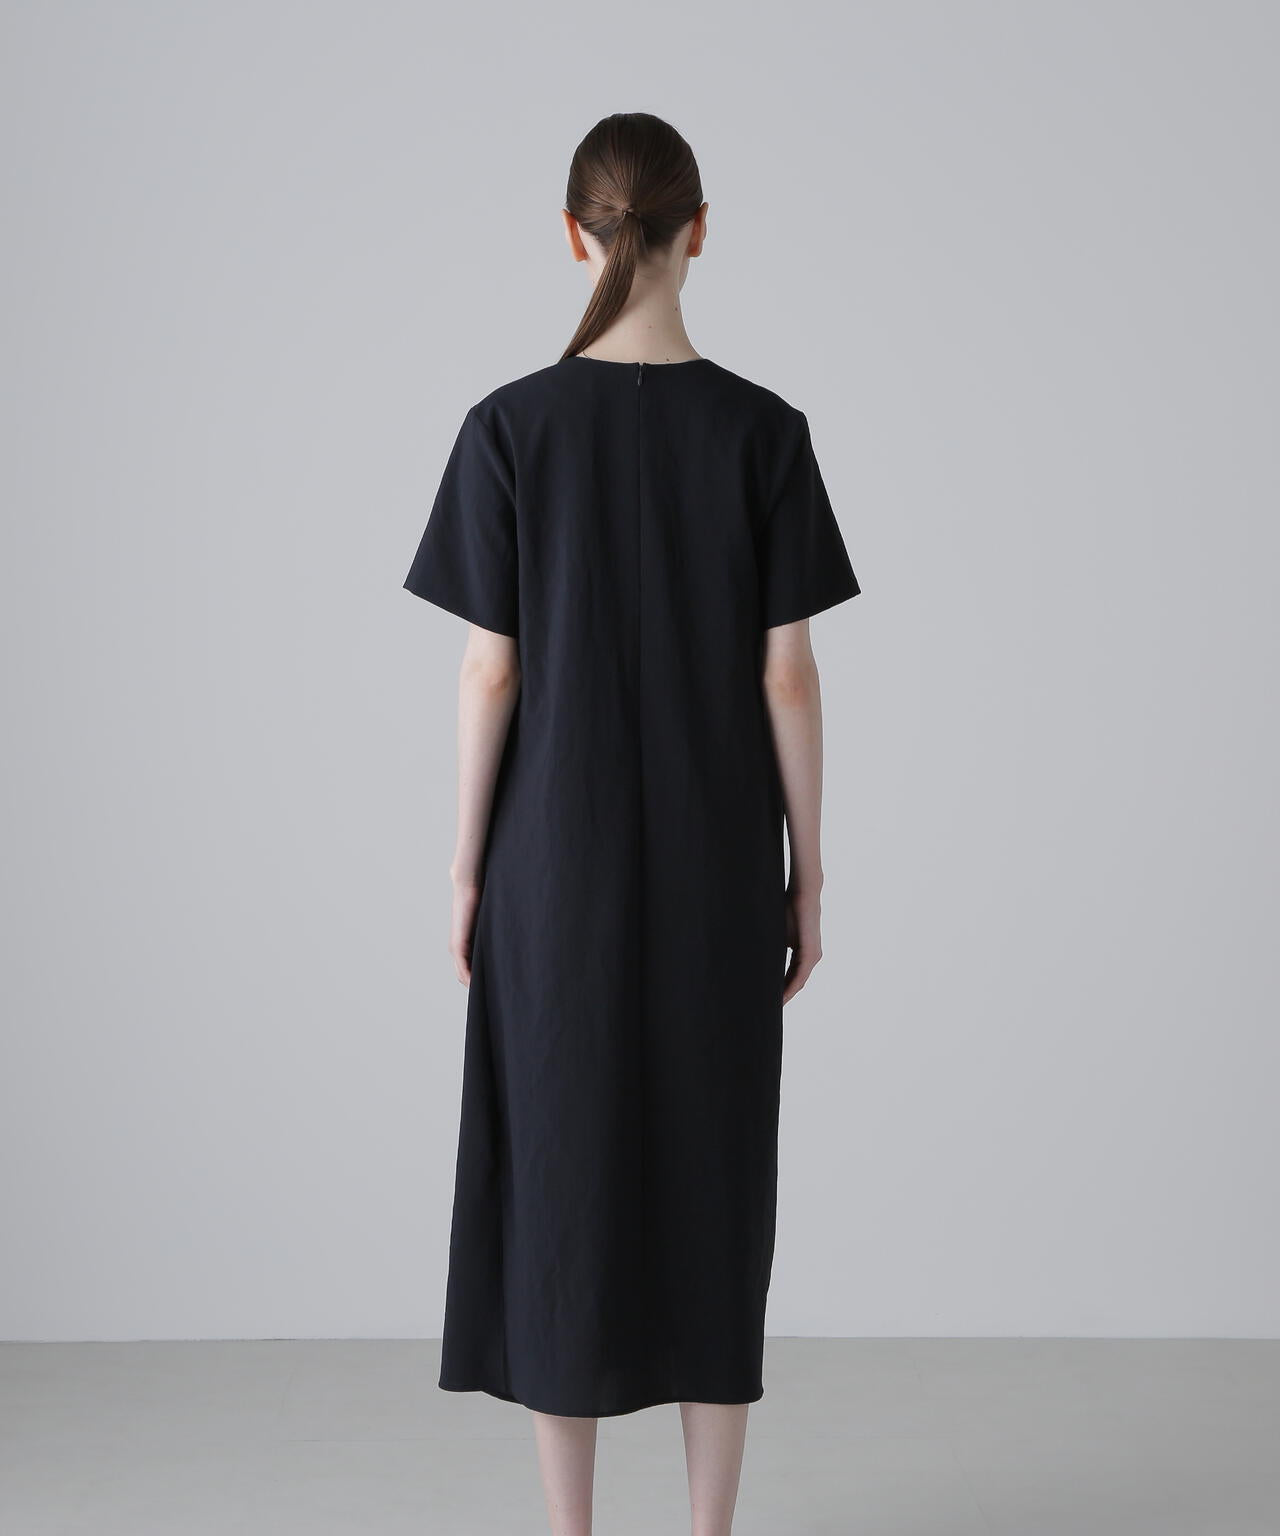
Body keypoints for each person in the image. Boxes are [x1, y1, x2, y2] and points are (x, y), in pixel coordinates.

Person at [403, 111, 860, 1536]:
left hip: (555, 867)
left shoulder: (509, 428)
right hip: (721, 865)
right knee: (715, 1180)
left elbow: (491, 672)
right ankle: (710, 1527)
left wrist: (468, 870)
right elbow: (788, 675)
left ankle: (572, 1530)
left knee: (565, 1178)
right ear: (699, 230)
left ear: (575, 235)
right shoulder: (765, 432)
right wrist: (809, 876)